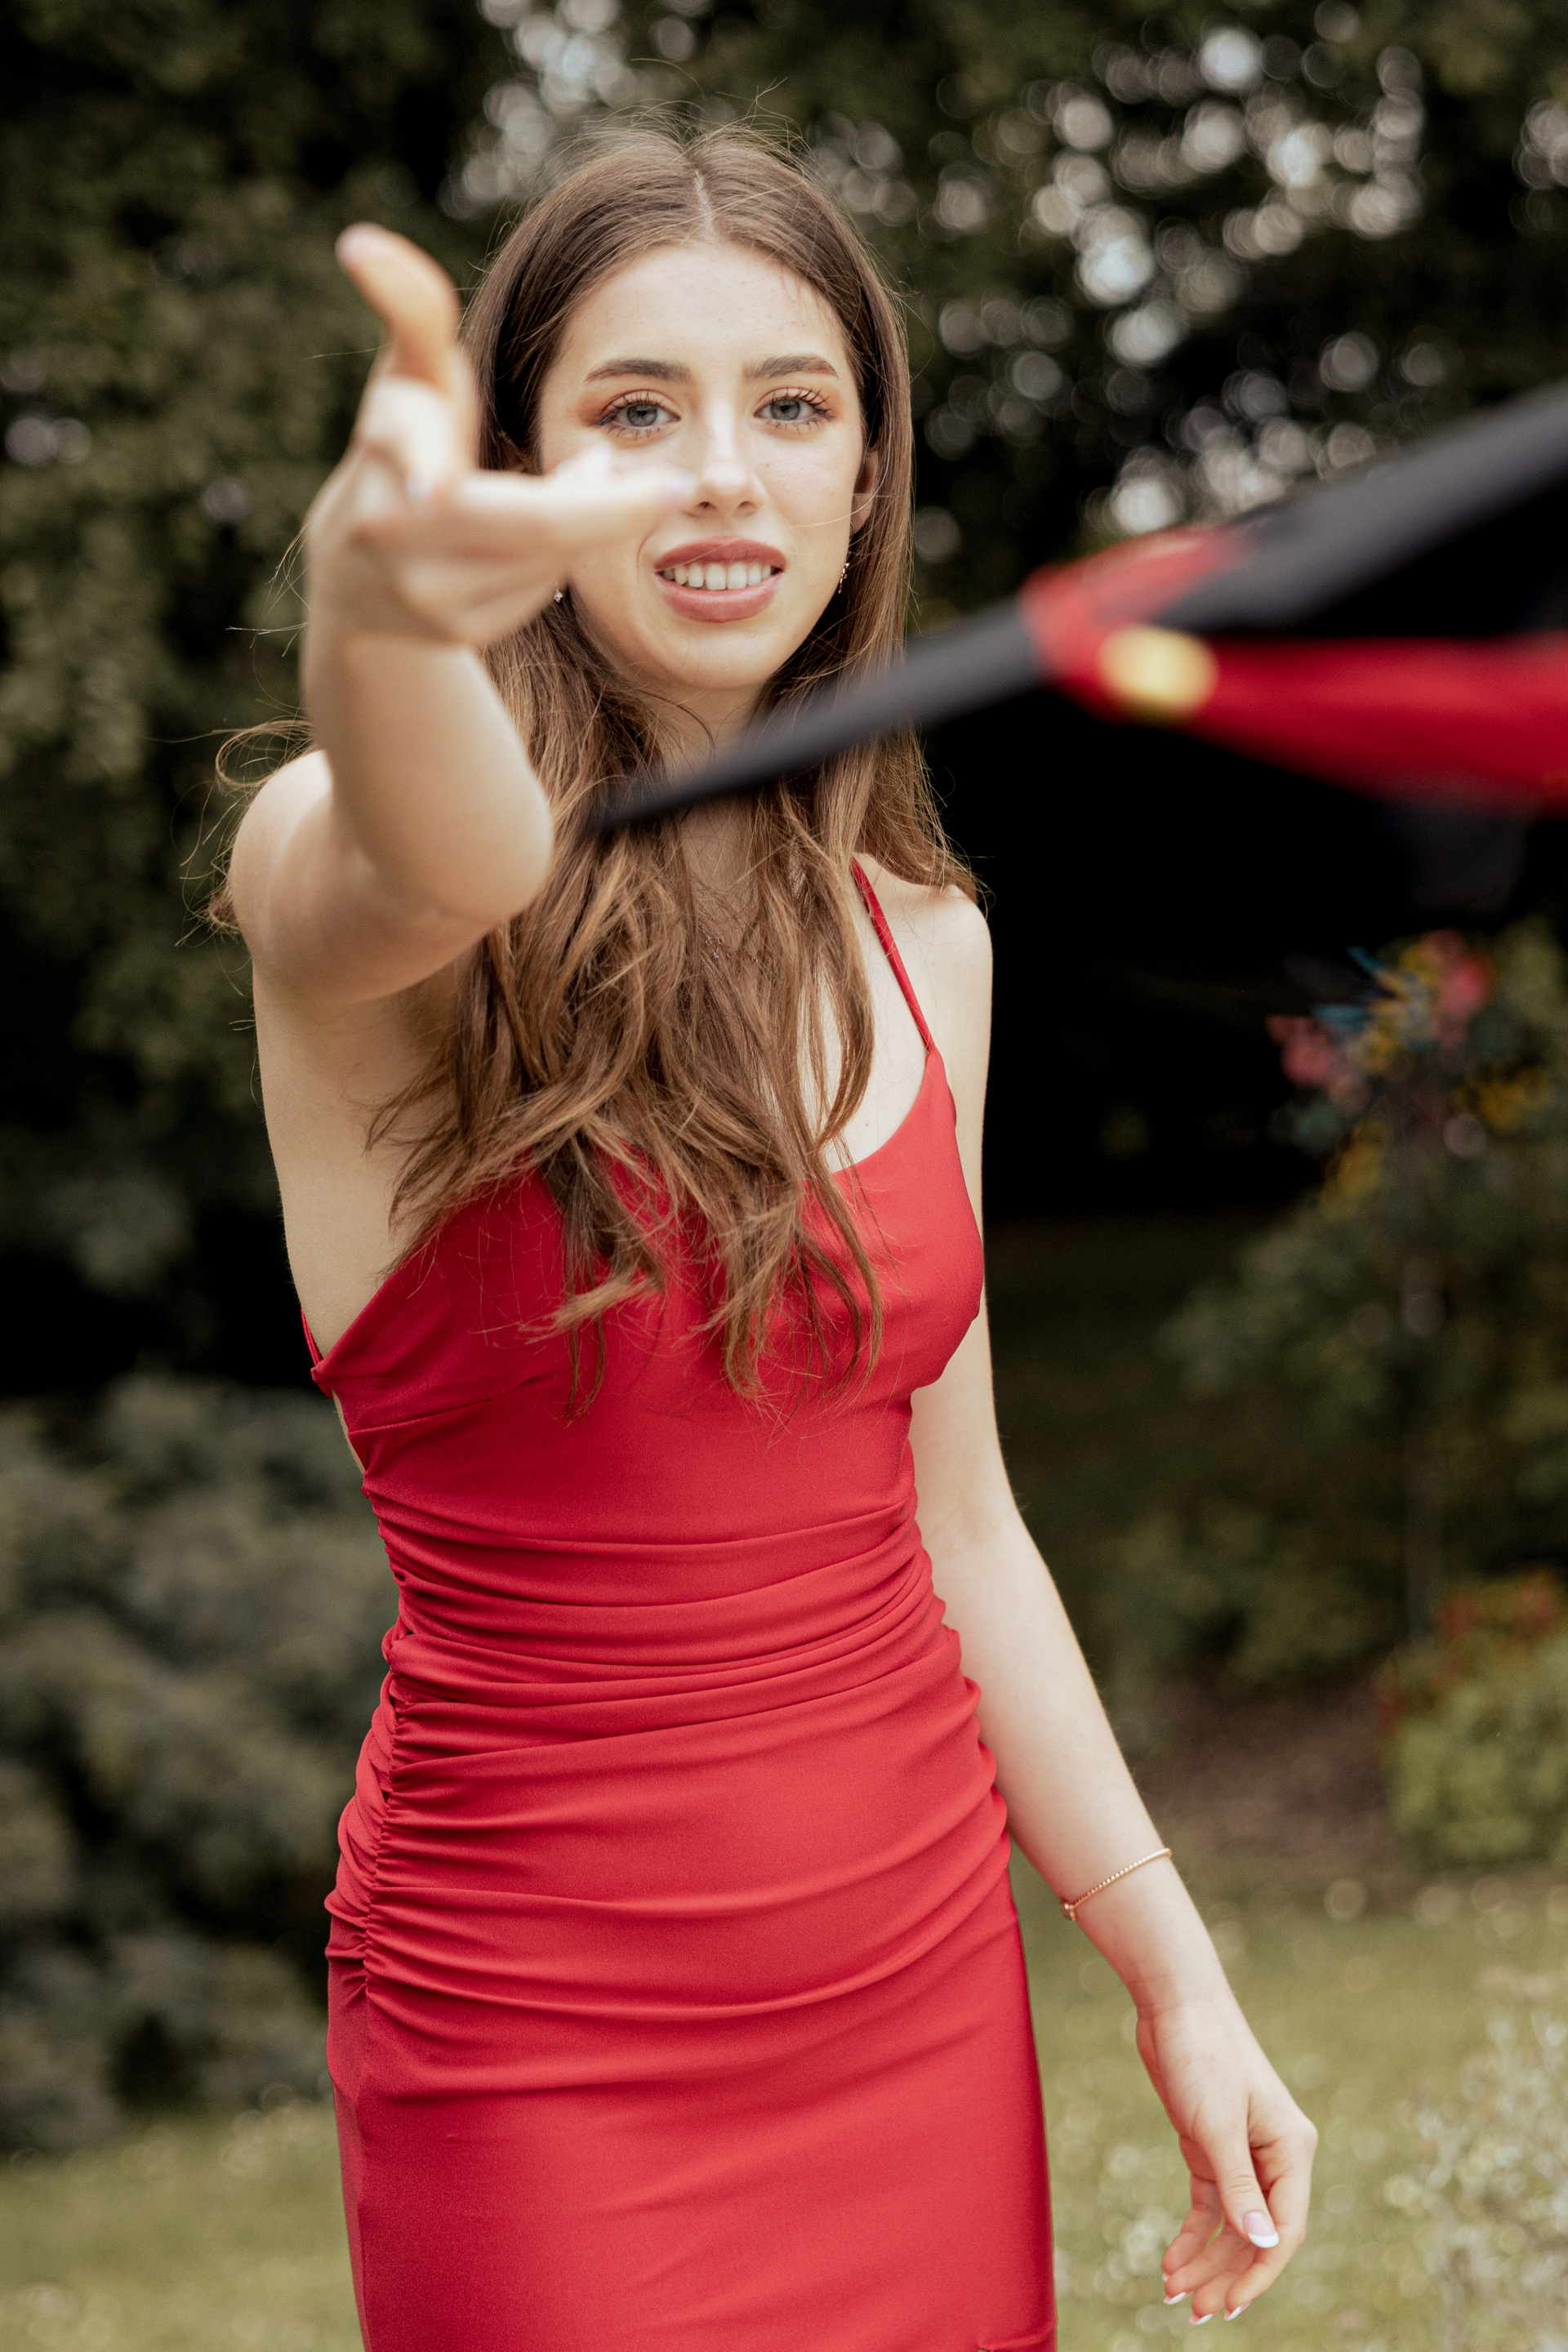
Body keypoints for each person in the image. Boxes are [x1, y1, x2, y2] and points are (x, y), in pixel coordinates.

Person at [225, 127, 1315, 2352]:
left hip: (917, 1990)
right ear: (516, 464)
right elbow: (437, 850)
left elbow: (962, 1520)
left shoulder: (929, 943)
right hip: (539, 2044)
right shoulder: (362, 883)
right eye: (635, 410)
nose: (722, 472)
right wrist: (378, 621)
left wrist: (1173, 1970)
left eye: (789, 405)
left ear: (866, 469)